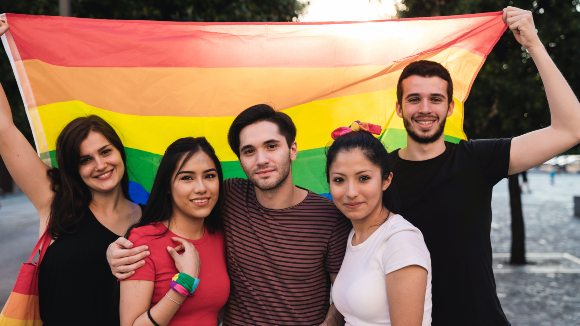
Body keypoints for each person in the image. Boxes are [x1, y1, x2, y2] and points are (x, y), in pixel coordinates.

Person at [388, 7, 580, 326]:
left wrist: (533, 43)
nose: (425, 109)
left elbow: (570, 129)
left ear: (450, 107)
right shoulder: (380, 174)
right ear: (399, 108)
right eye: (414, 99)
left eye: (435, 99)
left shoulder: (477, 159)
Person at [108, 104, 352, 325]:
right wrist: (115, 251)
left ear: (293, 149)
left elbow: (346, 293)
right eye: (249, 151)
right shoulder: (228, 196)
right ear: (240, 159)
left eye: (271, 146)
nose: (262, 159)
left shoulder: (330, 216)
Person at [1, 17, 140, 326]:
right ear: (73, 169)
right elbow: (2, 127)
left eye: (105, 152)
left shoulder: (151, 219)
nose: (100, 165)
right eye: (85, 159)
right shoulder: (54, 202)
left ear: (120, 153)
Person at [326, 126, 432, 326]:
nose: (351, 192)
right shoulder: (352, 237)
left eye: (363, 178)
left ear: (386, 180)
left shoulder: (400, 241)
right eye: (339, 180)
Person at [120, 137, 229, 326]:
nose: (201, 188)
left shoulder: (221, 236)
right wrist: (184, 283)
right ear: (167, 186)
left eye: (210, 176)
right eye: (187, 178)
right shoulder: (144, 240)